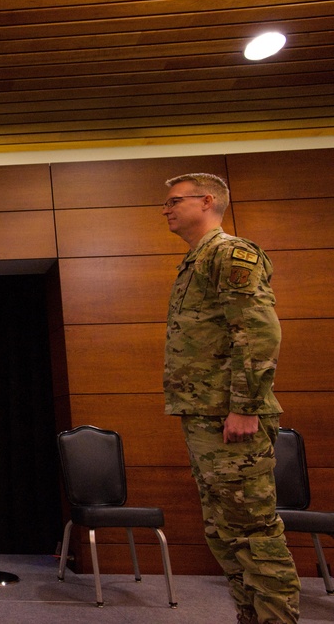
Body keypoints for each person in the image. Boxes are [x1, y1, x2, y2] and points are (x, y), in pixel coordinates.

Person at [162, 173, 300, 624]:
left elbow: (259, 333)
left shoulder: (230, 253)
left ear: (207, 202)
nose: (166, 209)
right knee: (225, 533)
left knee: (255, 534)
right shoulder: (195, 261)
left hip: (231, 415)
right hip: (205, 416)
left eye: (174, 201)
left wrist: (244, 407)